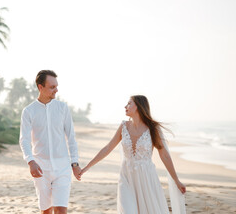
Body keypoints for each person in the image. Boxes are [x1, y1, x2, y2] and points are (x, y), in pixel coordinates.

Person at [80, 95, 186, 214]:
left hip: (146, 178)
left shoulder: (153, 129)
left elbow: (164, 155)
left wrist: (176, 180)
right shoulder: (124, 126)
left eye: (129, 103)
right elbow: (108, 148)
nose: (125, 106)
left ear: (138, 106)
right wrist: (87, 167)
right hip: (126, 178)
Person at [19, 70, 82, 214]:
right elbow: (24, 140)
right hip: (41, 168)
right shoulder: (29, 111)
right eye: (52, 87)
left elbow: (71, 137)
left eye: (56, 86)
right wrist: (31, 161)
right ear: (40, 87)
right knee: (46, 211)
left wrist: (75, 163)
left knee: (61, 210)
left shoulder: (62, 108)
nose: (56, 90)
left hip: (62, 168)